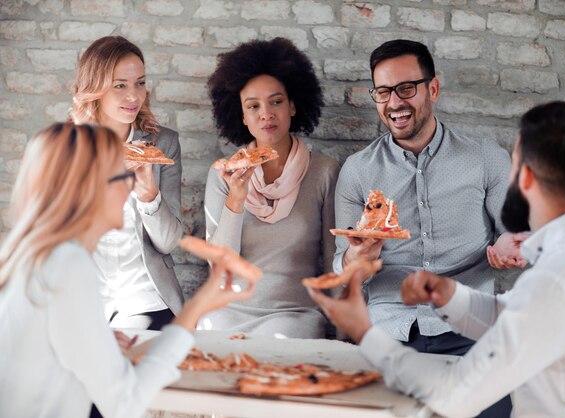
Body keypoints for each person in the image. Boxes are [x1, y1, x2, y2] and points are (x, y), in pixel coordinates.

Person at [310, 101, 565, 417]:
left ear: (526, 177)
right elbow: (513, 313)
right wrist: (449, 296)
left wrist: (364, 332)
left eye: (513, 163)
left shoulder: (556, 281)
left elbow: (453, 396)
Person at [0, 123, 255, 418]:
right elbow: (125, 403)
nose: (131, 187)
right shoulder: (69, 265)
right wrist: (195, 310)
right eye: (125, 176)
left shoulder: (38, 256)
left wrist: (99, 343)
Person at [333, 39, 519, 414]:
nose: (394, 103)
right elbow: (343, 274)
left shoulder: (486, 159)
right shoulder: (357, 171)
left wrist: (509, 246)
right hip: (390, 334)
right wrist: (358, 257)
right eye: (383, 92)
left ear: (432, 88)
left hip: (471, 332)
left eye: (406, 88)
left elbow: (517, 235)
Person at [201, 37, 340, 338]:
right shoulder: (223, 174)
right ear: (242, 116)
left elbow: (333, 260)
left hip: (292, 314)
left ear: (292, 106)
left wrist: (343, 331)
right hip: (227, 310)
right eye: (254, 106)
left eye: (276, 101)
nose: (266, 114)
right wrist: (236, 200)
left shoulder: (324, 171)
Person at [70, 36, 184, 330]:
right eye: (120, 85)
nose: (133, 96)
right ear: (95, 88)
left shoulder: (163, 144)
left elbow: (169, 242)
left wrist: (149, 196)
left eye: (140, 83)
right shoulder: (66, 147)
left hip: (144, 299)